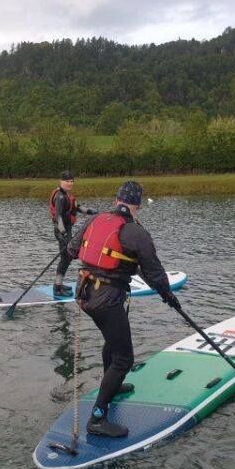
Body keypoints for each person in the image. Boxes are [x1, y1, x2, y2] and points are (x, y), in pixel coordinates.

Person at [67, 181, 180, 438]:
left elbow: (71, 250)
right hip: (107, 299)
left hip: (84, 293)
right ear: (137, 205)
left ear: (117, 199)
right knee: (124, 359)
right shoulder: (136, 232)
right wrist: (169, 297)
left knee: (112, 341)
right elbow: (155, 273)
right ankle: (97, 418)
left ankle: (112, 385)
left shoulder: (95, 220)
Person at [49, 170, 96, 297]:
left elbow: (77, 206)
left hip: (66, 230)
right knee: (66, 258)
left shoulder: (67, 195)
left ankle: (58, 284)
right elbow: (58, 217)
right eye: (67, 181)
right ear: (61, 181)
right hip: (61, 231)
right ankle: (57, 287)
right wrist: (63, 234)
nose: (69, 183)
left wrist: (91, 211)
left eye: (71, 181)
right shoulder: (60, 197)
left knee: (67, 258)